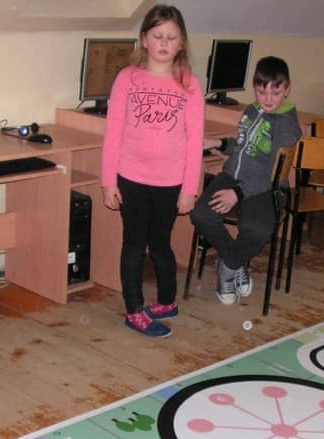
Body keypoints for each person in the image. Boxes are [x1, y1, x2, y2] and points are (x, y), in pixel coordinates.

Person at [101, 4, 204, 338]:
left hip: (170, 182)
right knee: (133, 244)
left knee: (160, 244)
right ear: (144, 39)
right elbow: (113, 134)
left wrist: (190, 188)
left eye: (171, 38)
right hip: (131, 178)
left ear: (181, 43)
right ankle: (134, 311)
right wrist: (108, 181)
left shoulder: (189, 84)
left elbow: (195, 141)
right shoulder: (126, 79)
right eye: (158, 36)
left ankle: (167, 301)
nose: (164, 43)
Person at [190, 56, 301, 305]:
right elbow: (243, 146)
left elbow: (273, 173)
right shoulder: (251, 110)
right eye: (262, 92)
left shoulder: (287, 125)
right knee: (200, 214)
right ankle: (236, 261)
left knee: (258, 228)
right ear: (254, 88)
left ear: (287, 89)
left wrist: (238, 194)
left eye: (275, 92)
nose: (268, 99)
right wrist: (219, 143)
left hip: (264, 187)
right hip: (232, 176)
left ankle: (228, 266)